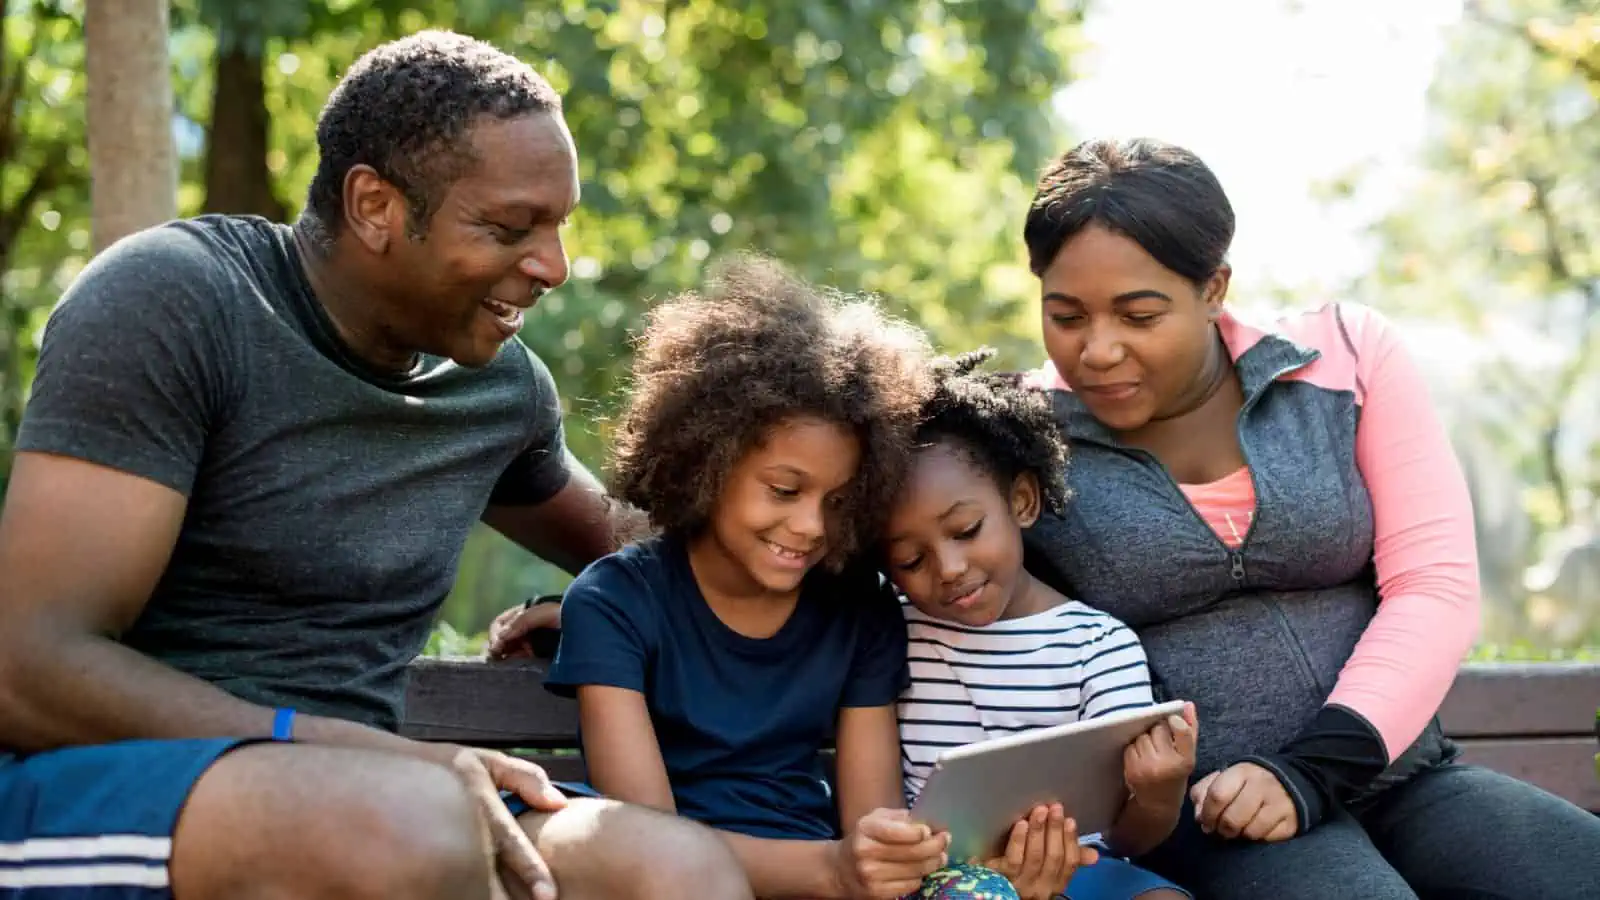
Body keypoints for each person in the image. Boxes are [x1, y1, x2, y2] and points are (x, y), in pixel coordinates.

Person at [0, 30, 749, 900]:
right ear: (374, 205)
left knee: (673, 867)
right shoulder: (178, 302)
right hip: (95, 788)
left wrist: (599, 604)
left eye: (557, 227)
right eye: (510, 228)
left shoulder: (497, 391)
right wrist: (354, 750)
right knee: (409, 825)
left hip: (382, 801)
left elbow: (666, 561)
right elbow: (25, 666)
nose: (553, 266)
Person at [1017, 136, 1600, 899]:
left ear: (1214, 287)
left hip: (1400, 776)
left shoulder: (1342, 358)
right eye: (1065, 316)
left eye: (1139, 315)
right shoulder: (1022, 435)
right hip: (1209, 818)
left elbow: (1435, 586)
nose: (1097, 351)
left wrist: (1313, 770)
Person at [542, 255, 1009, 899]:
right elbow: (645, 843)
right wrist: (832, 871)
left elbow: (868, 820)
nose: (812, 526)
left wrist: (887, 854)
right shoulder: (615, 602)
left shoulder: (857, 610)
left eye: (839, 501)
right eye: (784, 490)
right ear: (707, 460)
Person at [883, 349, 1194, 900]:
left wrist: (1159, 791)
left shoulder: (1097, 645)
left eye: (967, 530)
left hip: (1081, 866)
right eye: (911, 561)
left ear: (1022, 502)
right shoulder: (891, 634)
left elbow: (1130, 836)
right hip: (944, 878)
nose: (949, 569)